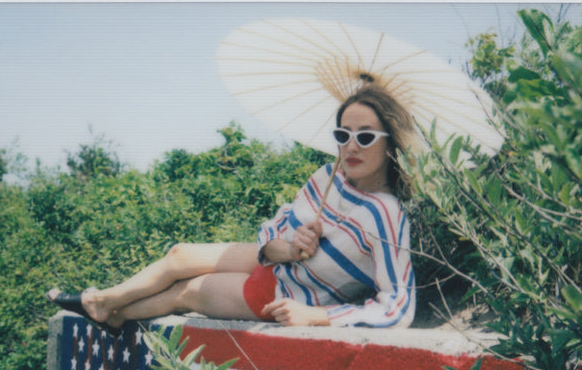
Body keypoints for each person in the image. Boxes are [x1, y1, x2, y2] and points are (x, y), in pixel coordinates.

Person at [47, 84, 416, 329]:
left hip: (286, 295)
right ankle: (102, 300)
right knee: (178, 255)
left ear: (390, 143)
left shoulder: (384, 215)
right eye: (342, 135)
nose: (351, 147)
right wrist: (288, 246)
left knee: (186, 292)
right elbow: (277, 228)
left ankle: (111, 313)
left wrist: (316, 316)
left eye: (365, 137)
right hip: (275, 261)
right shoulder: (326, 177)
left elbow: (397, 307)